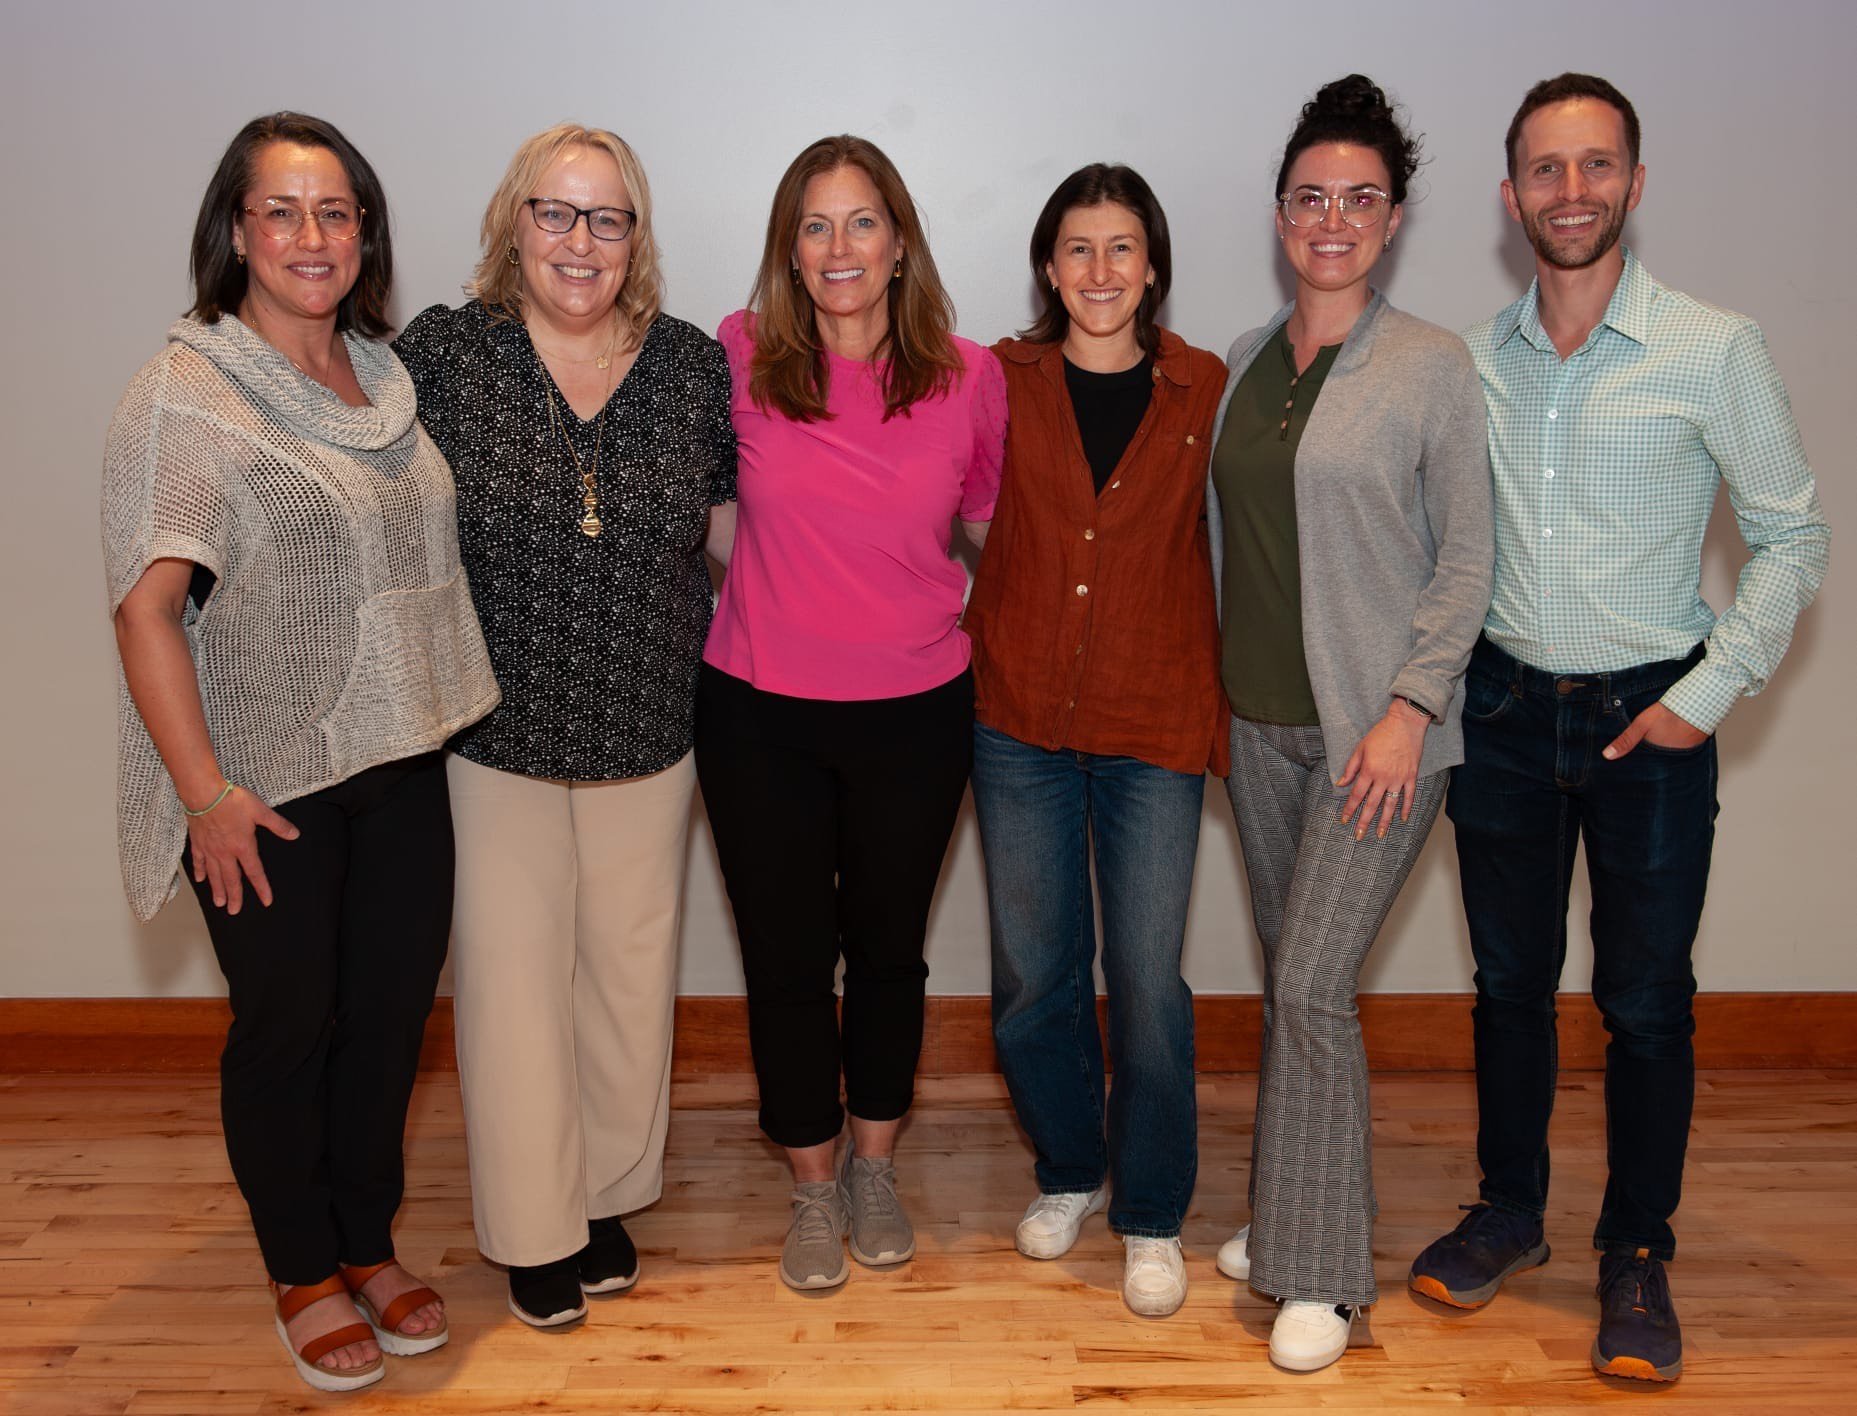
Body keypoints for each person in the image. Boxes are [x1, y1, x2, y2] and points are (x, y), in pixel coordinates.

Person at [1407, 74, 1830, 1385]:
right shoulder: (1465, 360)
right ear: (1510, 194)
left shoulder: (1715, 346)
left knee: (1646, 1004)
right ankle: (1511, 1210)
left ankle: (1635, 1250)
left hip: (1651, 720)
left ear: (1635, 185)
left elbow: (1792, 538)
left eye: (1596, 167)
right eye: (1546, 168)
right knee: (1507, 990)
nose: (1571, 191)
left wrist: (1704, 696)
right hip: (1502, 710)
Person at [102, 112, 499, 1393]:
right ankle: (299, 1266)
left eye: (336, 213)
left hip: (401, 760)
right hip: (264, 782)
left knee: (387, 1024)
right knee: (288, 1027)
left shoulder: (384, 378)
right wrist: (205, 795)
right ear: (235, 229)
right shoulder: (187, 394)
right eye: (282, 210)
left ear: (365, 233)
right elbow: (145, 609)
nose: (311, 236)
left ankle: (366, 1241)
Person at [393, 124, 736, 1330]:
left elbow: (744, 541)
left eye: (609, 220)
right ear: (513, 222)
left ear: (637, 237)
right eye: (557, 214)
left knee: (630, 981)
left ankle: (601, 1197)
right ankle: (534, 1231)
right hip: (497, 732)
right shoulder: (445, 353)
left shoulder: (692, 365)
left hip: (653, 719)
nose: (580, 243)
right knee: (511, 985)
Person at [1205, 76, 1494, 1372]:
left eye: (1359, 200)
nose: (1333, 220)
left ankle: (1321, 1271)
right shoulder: (1242, 364)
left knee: (1316, 990)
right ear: (1281, 217)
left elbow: (1467, 563)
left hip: (1377, 742)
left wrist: (1406, 710)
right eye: (1311, 198)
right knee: (1292, 988)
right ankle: (1287, 1221)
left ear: (1391, 222)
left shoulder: (1431, 366)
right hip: (1257, 729)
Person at [695, 134, 1005, 1293]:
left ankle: (876, 1166)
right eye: (814, 226)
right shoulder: (740, 352)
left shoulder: (970, 377)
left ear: (900, 239)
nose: (839, 248)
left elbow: (994, 537)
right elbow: (716, 515)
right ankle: (814, 1186)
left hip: (916, 711)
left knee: (886, 955)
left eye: (861, 222)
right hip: (757, 709)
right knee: (784, 962)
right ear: (789, 246)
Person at [963, 164, 1225, 1318]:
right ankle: (1070, 1168)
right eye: (1078, 248)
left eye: (1123, 248)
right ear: (1048, 265)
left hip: (1155, 718)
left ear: (1154, 264)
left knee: (1148, 982)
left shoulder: (1204, 386)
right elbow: (953, 506)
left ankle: (1154, 1209)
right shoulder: (997, 379)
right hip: (1016, 713)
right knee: (1033, 973)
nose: (1101, 271)